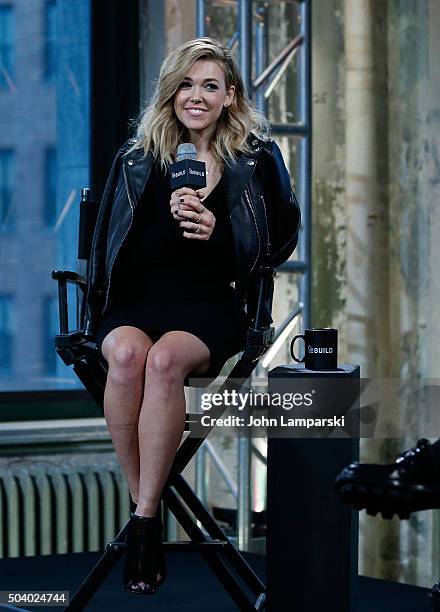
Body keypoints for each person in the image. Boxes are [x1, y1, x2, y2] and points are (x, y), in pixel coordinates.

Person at [83, 37, 301, 595]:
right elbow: (109, 244)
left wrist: (217, 232)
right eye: (186, 83)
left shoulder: (254, 158)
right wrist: (173, 218)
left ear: (230, 96)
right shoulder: (136, 159)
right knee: (129, 355)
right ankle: (147, 514)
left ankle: (142, 519)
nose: (196, 96)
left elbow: (279, 242)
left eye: (210, 85)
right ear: (171, 91)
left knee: (163, 362)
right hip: (136, 300)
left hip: (208, 305)